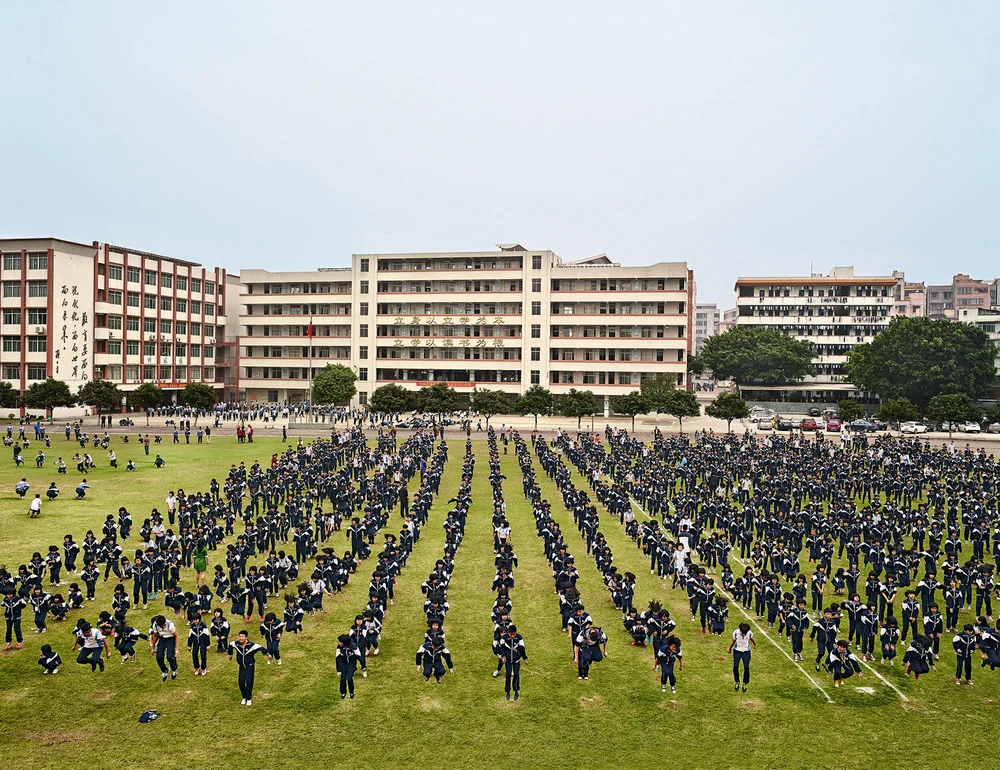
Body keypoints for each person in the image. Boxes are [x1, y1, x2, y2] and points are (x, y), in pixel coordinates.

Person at [228, 629, 267, 706]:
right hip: (242, 667)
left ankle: (249, 698)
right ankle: (244, 697)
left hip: (250, 666)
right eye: (239, 636)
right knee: (241, 682)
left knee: (249, 682)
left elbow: (261, 648)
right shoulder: (236, 644)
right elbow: (230, 645)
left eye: (242, 637)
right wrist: (230, 655)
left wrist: (268, 654)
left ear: (246, 637)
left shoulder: (251, 645)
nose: (240, 638)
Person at [496, 623, 528, 700]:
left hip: (516, 659)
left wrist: (524, 658)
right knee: (508, 674)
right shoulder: (504, 638)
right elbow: (502, 648)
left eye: (514, 634)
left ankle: (516, 691)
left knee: (516, 675)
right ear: (508, 633)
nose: (512, 636)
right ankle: (507, 691)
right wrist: (503, 656)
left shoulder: (519, 638)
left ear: (516, 633)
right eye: (511, 634)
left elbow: (522, 649)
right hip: (508, 660)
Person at [149, 614, 179, 682]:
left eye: (163, 625)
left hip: (170, 638)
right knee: (159, 657)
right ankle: (165, 670)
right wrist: (153, 648)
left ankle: (174, 669)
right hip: (162, 639)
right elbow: (155, 635)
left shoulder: (170, 625)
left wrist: (176, 649)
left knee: (170, 657)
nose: (163, 626)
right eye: (161, 626)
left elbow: (176, 636)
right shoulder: (155, 625)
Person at [728, 622, 756, 692]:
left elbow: (752, 639)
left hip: (746, 652)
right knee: (735, 666)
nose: (743, 634)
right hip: (737, 651)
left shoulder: (749, 633)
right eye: (742, 633)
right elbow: (733, 642)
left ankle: (745, 683)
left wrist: (754, 644)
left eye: (745, 633)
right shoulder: (735, 633)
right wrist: (730, 648)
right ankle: (737, 681)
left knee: (746, 667)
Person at [335, 633, 360, 699]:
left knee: (349, 678)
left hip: (351, 664)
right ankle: (343, 692)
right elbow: (337, 658)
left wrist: (363, 665)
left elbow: (358, 656)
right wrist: (339, 670)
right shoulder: (339, 647)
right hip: (343, 664)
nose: (339, 643)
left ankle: (351, 692)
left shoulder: (353, 646)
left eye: (340, 642)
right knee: (342, 680)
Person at [3, 584, 26, 649]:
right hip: (8, 617)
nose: (8, 596)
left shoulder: (18, 599)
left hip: (17, 617)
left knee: (17, 629)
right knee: (8, 629)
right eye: (7, 594)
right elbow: (2, 604)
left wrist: (18, 609)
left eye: (10, 594)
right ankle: (8, 641)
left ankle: (20, 641)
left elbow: (24, 604)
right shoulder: (5, 599)